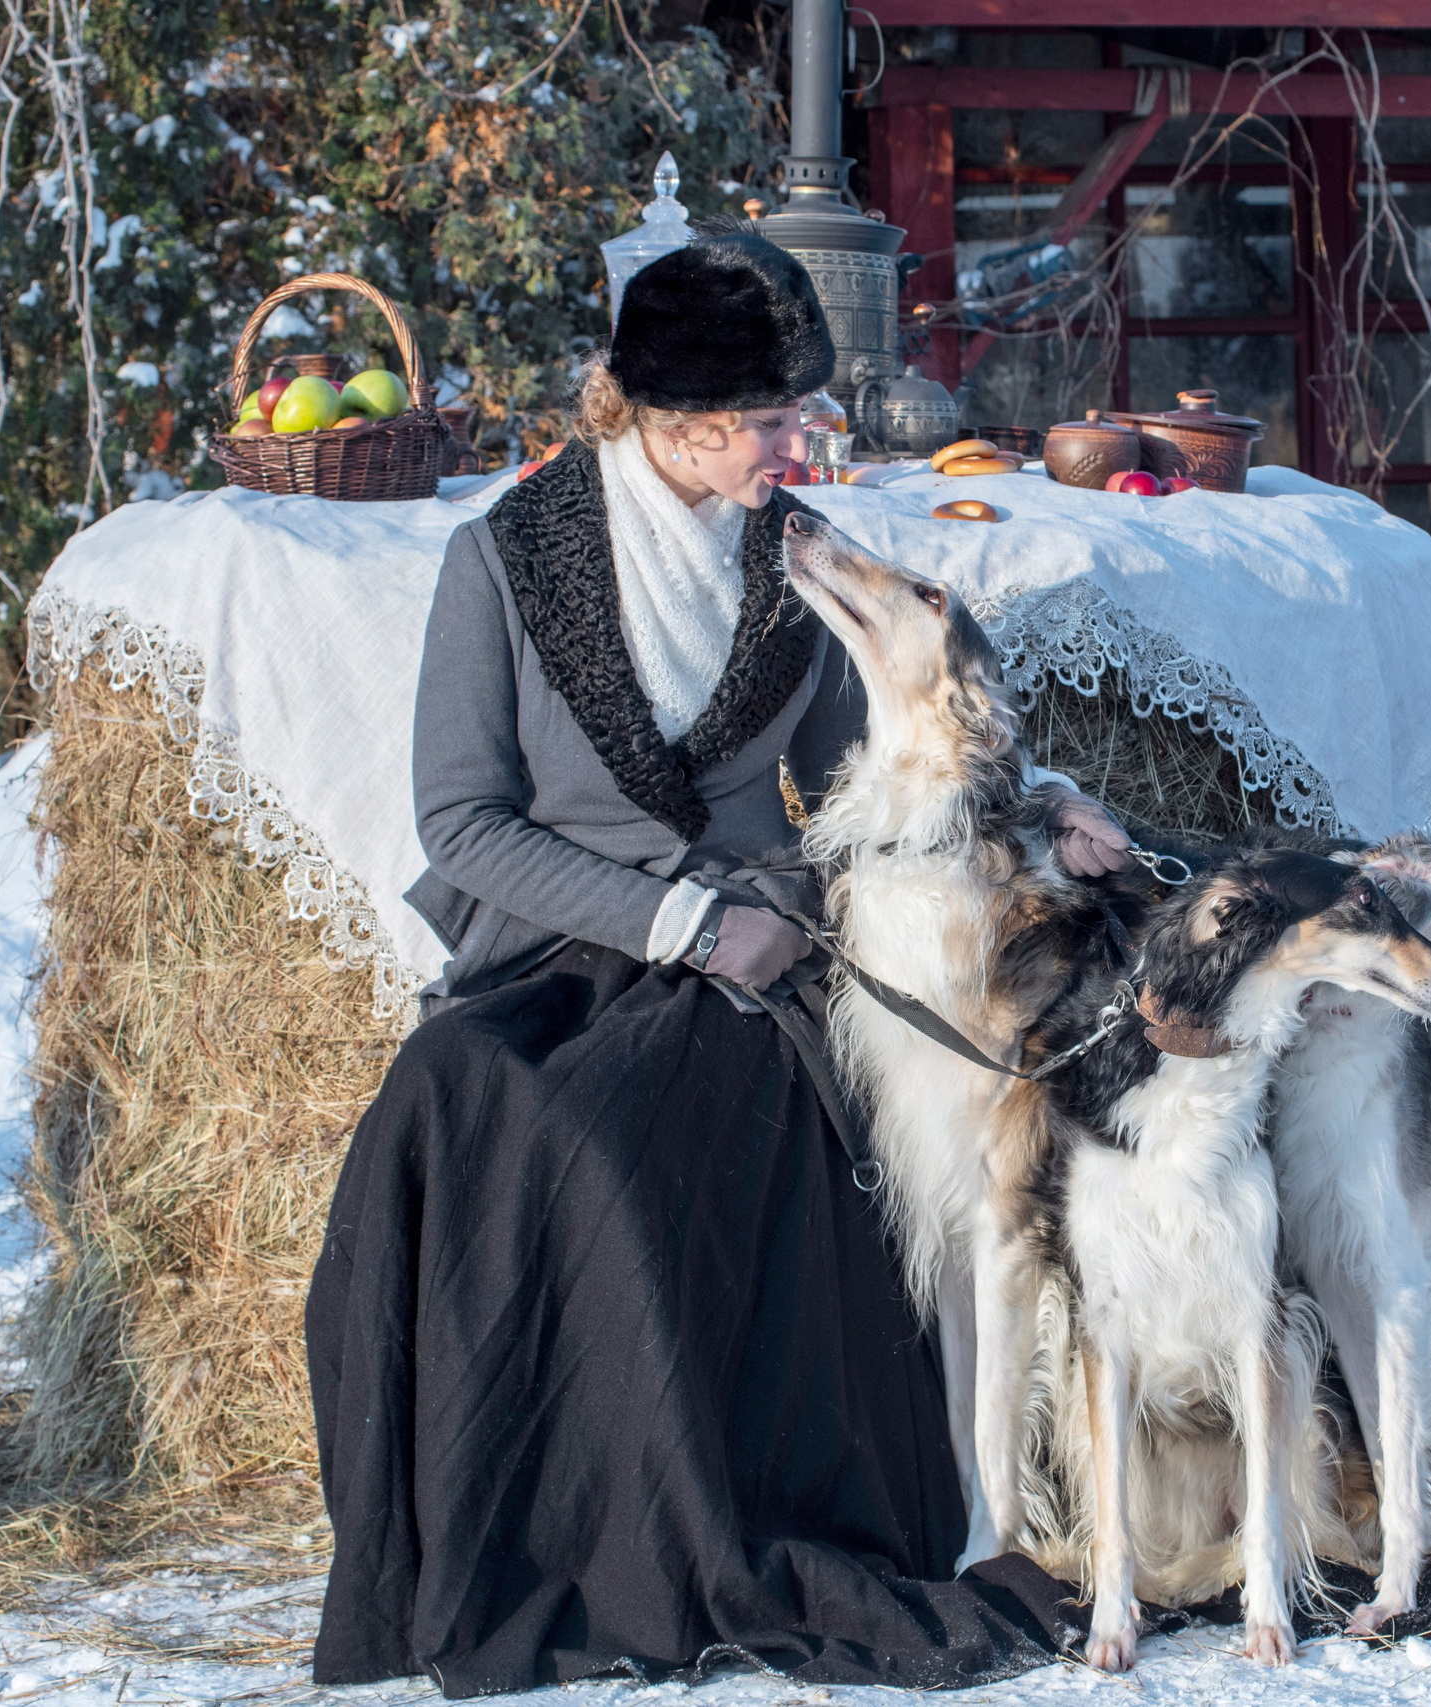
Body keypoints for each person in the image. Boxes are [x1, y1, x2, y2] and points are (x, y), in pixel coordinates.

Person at [304, 228, 1134, 1696]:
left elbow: (880, 755)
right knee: (442, 1096)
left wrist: (1038, 799)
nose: (796, 441)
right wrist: (681, 923)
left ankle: (664, 1535)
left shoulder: (786, 563)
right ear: (679, 424)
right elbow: (462, 820)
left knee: (615, 1143)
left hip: (756, 955)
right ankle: (496, 1539)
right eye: (769, 419)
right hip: (563, 943)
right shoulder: (502, 562)